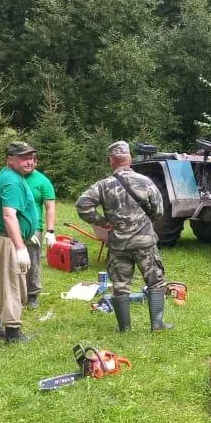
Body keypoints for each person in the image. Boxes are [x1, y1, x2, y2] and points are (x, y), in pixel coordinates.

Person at [75, 141, 174, 332]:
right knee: (155, 281)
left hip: (119, 243)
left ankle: (125, 328)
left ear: (112, 161)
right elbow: (159, 211)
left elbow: (82, 205)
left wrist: (102, 222)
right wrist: (146, 222)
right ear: (129, 159)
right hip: (144, 242)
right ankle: (158, 325)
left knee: (120, 285)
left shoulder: (103, 185)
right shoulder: (146, 182)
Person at [0, 141, 41, 343]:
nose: (29, 161)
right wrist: (20, 246)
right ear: (10, 159)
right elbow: (9, 216)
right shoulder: (12, 182)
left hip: (4, 239)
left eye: (31, 157)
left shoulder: (11, 175)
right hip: (6, 241)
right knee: (14, 286)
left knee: (7, 283)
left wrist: (27, 231)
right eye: (24, 157)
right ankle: (13, 333)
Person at [20, 153, 57, 310]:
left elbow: (50, 207)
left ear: (36, 162)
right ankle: (15, 293)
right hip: (11, 226)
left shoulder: (43, 181)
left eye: (32, 161)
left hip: (33, 229)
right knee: (12, 261)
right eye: (26, 160)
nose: (29, 163)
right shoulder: (15, 177)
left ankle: (33, 294)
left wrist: (50, 231)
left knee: (32, 262)